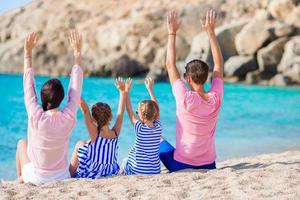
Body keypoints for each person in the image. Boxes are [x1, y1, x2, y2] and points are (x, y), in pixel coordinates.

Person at [14, 30, 83, 184]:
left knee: (21, 143)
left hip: (37, 178)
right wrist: (77, 54)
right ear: (62, 98)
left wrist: (28, 54)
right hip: (61, 176)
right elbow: (76, 90)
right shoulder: (68, 118)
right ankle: (22, 179)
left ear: (42, 98)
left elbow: (28, 87)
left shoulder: (36, 116)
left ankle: (21, 179)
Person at [159, 10, 224, 172]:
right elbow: (219, 65)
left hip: (181, 164)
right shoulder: (216, 97)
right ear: (206, 77)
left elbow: (169, 64)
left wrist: (172, 33)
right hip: (209, 164)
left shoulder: (184, 98)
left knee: (157, 139)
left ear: (188, 79)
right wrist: (211, 33)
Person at [69, 77, 127, 179]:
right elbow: (121, 112)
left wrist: (74, 85)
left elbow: (84, 108)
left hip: (92, 173)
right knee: (86, 144)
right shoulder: (115, 133)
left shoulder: (95, 134)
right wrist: (122, 92)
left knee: (80, 144)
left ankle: (69, 174)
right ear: (110, 117)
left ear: (94, 120)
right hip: (110, 171)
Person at [121, 78, 162, 175]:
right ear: (155, 113)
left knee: (124, 161)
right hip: (154, 171)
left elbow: (129, 111)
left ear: (141, 116)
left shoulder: (140, 128)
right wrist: (150, 89)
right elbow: (157, 108)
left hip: (138, 170)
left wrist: (126, 92)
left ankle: (120, 175)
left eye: (137, 112)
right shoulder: (158, 127)